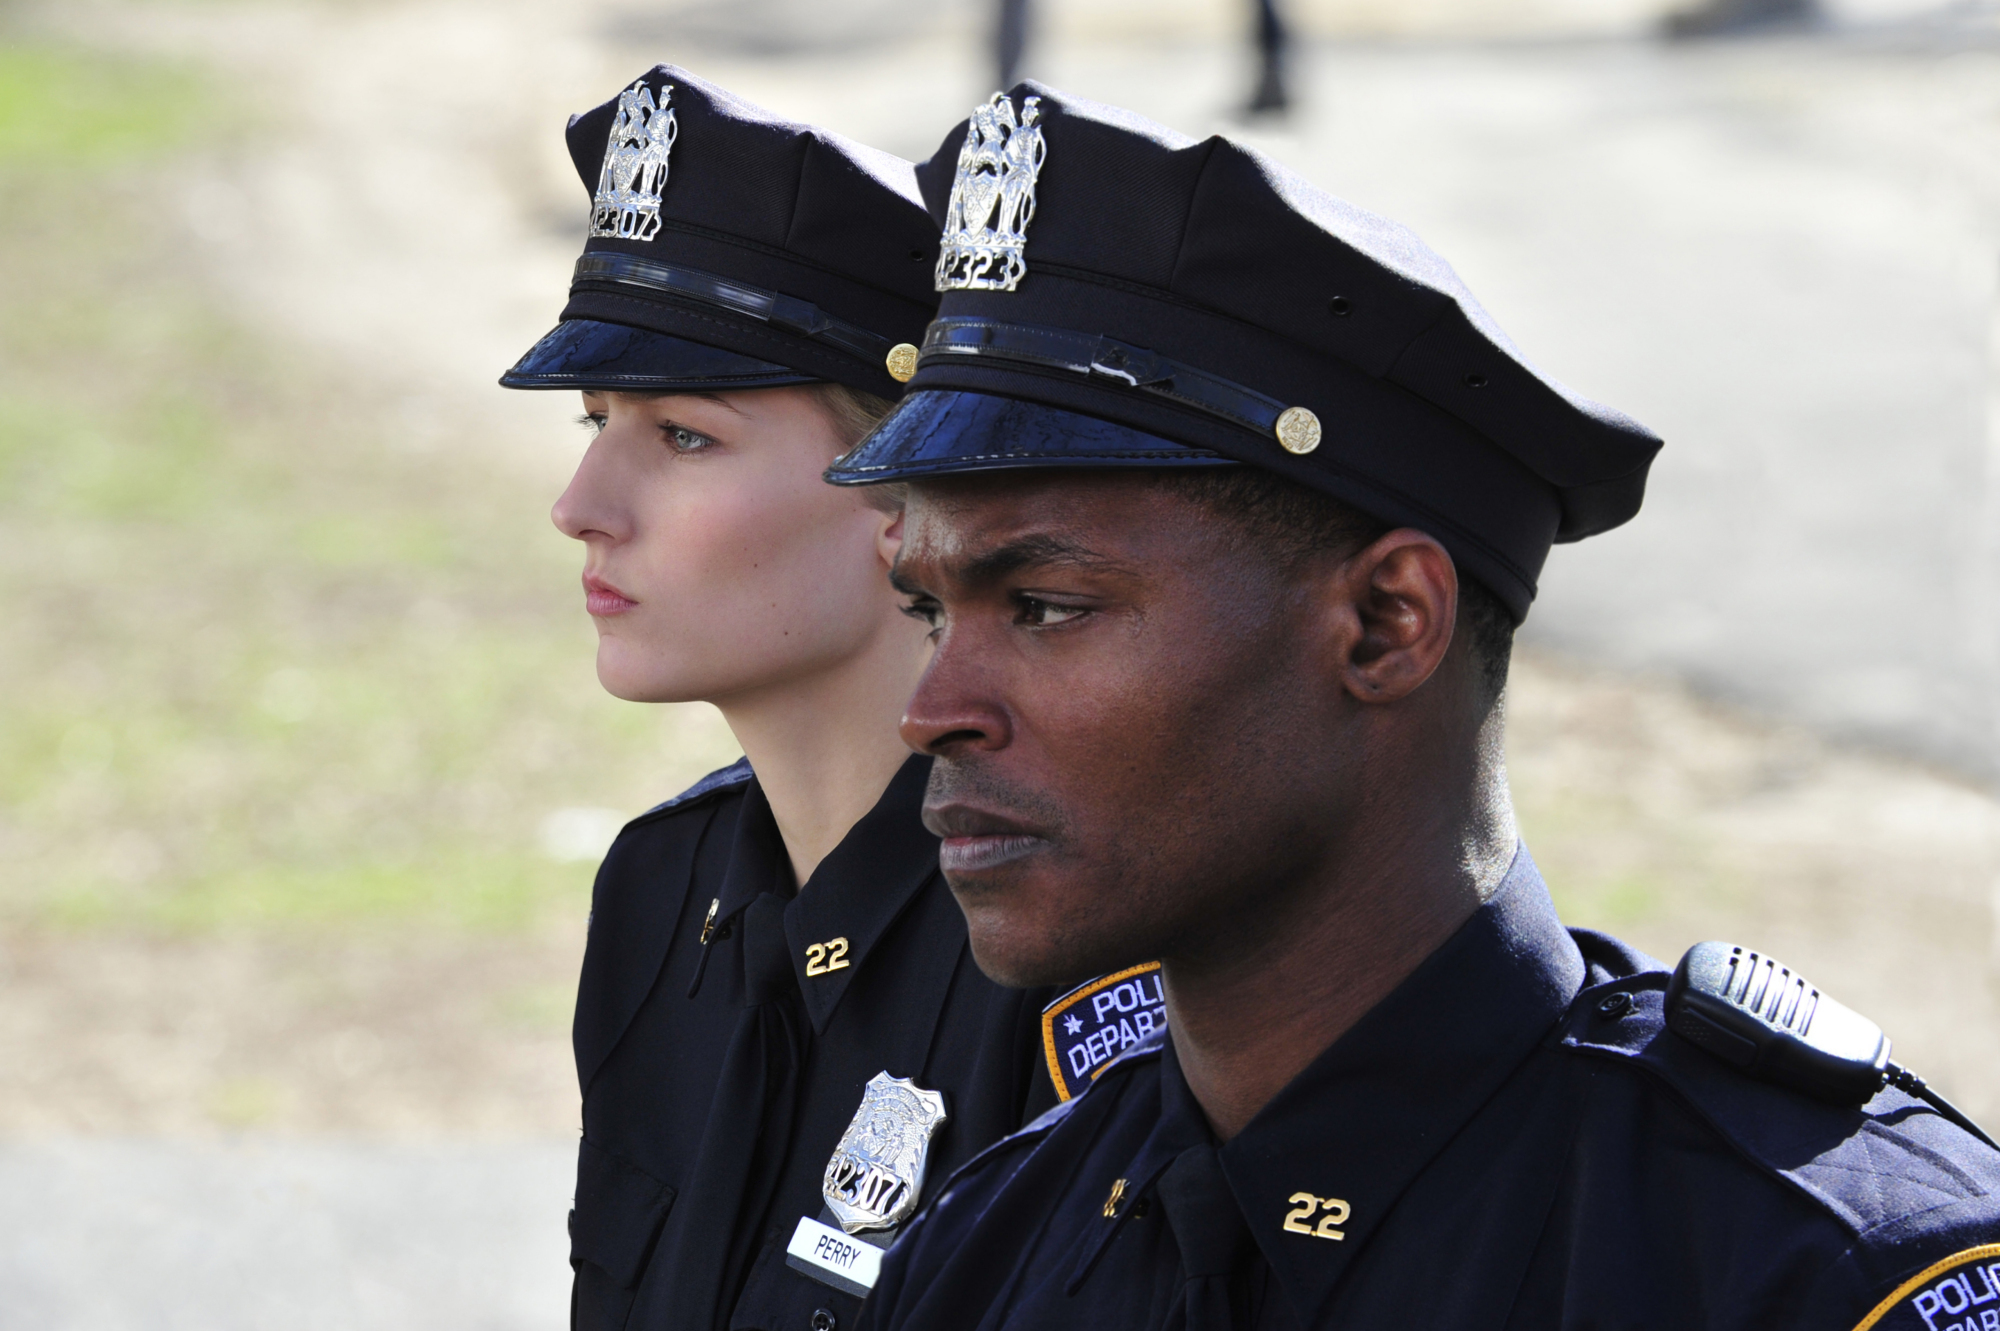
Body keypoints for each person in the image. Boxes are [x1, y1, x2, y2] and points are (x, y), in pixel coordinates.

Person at [829, 83, 2000, 1328]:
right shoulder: (987, 1245)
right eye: (928, 614)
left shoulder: (1811, 1267)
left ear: (1387, 621)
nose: (933, 709)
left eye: (1047, 606)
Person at [498, 67, 1057, 1331]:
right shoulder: (664, 886)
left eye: (682, 436)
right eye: (594, 420)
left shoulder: (1063, 943)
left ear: (902, 503)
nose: (581, 503)